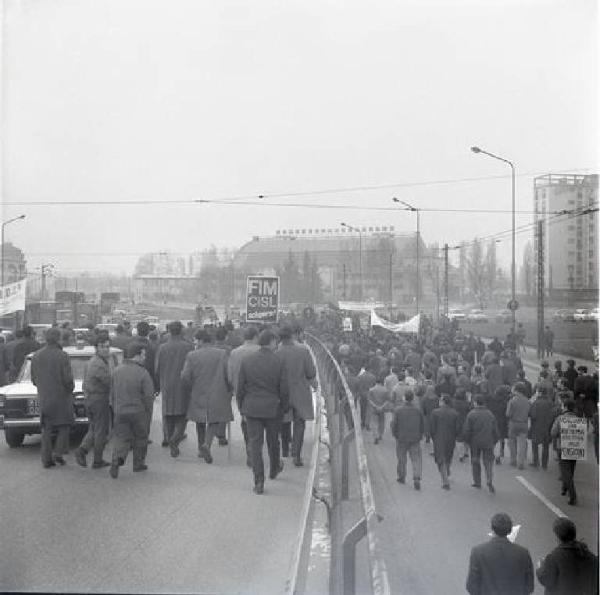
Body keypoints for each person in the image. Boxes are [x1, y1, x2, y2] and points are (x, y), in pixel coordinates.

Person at [237, 329, 289, 495]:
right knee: (273, 441)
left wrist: (241, 407)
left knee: (255, 444)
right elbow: (284, 389)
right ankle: (274, 469)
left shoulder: (247, 361)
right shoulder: (279, 361)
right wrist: (284, 407)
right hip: (273, 408)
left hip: (251, 408)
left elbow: (240, 388)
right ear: (273, 341)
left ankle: (259, 481)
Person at [181, 329, 233, 464]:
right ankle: (207, 444)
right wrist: (229, 388)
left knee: (200, 420)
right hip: (218, 390)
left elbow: (185, 376)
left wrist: (192, 385)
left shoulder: (192, 355)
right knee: (214, 420)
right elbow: (229, 373)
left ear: (201, 341)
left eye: (196, 340)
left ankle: (200, 448)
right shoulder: (222, 354)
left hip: (198, 390)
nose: (195, 343)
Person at [109, 342, 155, 478]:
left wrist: (115, 407)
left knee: (121, 437)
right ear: (137, 355)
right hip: (138, 411)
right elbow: (148, 395)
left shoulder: (116, 371)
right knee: (141, 437)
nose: (145, 357)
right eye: (143, 354)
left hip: (120, 411)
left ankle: (117, 460)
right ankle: (138, 464)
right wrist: (148, 411)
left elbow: (111, 393)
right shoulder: (143, 373)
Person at [31, 327, 75, 468]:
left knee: (47, 429)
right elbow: (68, 380)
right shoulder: (62, 356)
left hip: (44, 397)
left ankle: (46, 459)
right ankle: (58, 453)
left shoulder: (36, 356)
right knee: (64, 426)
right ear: (57, 339)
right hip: (61, 397)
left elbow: (34, 379)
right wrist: (71, 389)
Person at [276, 324, 317, 465]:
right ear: (292, 335)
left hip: (282, 393)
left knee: (284, 422)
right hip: (300, 392)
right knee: (300, 423)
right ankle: (296, 455)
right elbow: (311, 372)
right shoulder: (303, 350)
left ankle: (285, 449)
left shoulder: (276, 352)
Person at [466, 512, 534, 595]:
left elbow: (471, 586)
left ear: (492, 529)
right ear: (509, 530)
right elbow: (529, 586)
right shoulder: (523, 553)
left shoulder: (478, 552)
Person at [155, 321, 194, 458]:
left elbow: (157, 368)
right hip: (183, 385)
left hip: (166, 384)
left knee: (168, 413)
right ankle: (175, 439)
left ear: (169, 331)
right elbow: (192, 368)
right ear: (181, 331)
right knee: (183, 415)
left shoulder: (162, 348)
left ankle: (168, 436)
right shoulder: (188, 347)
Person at [75, 332, 112, 468]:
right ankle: (96, 459)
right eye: (103, 347)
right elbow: (109, 381)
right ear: (96, 348)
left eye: (108, 347)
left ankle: (83, 450)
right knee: (100, 430)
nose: (106, 349)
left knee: (94, 428)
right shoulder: (99, 364)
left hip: (90, 399)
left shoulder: (92, 361)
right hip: (98, 399)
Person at [536, 517, 598, 595]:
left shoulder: (554, 557)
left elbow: (546, 580)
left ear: (557, 538)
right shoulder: (592, 558)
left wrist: (540, 568)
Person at [227, 326, 260, 466]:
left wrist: (233, 387)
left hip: (241, 392)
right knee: (259, 421)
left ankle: (250, 448)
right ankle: (254, 449)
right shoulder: (260, 350)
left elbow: (229, 373)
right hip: (259, 391)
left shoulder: (235, 352)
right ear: (255, 337)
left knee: (246, 419)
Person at [463, 394, 499, 492]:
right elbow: (495, 430)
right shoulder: (490, 414)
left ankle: (477, 482)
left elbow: (467, 430)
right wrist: (495, 440)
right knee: (488, 462)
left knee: (475, 461)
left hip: (475, 442)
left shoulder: (471, 414)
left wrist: (466, 440)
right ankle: (489, 479)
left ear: (475, 403)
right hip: (488, 441)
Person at [129, 321, 158, 443]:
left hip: (131, 380)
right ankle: (144, 435)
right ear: (148, 332)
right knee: (147, 411)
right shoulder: (151, 346)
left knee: (133, 407)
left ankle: (132, 434)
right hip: (148, 381)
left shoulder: (130, 345)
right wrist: (156, 386)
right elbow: (154, 367)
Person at [390, 389, 424, 490]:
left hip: (401, 438)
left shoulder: (398, 410)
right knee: (416, 459)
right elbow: (422, 424)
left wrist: (395, 434)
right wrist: (420, 434)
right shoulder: (418, 410)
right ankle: (416, 477)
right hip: (415, 438)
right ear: (412, 398)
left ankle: (401, 476)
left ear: (404, 398)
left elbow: (394, 424)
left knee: (401, 459)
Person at [551, 399, 580, 505]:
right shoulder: (578, 419)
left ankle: (573, 495)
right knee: (571, 470)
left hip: (562, 447)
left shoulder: (560, 418)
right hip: (576, 447)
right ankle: (564, 488)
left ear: (566, 407)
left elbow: (553, 433)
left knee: (565, 471)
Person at [429, 394, 461, 490]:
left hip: (439, 438)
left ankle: (445, 481)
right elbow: (458, 428)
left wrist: (433, 437)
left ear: (443, 402)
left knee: (440, 459)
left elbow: (432, 428)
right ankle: (447, 470)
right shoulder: (455, 413)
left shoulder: (435, 413)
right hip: (451, 438)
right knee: (448, 457)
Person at [528, 387, 555, 470]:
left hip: (537, 426)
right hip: (547, 427)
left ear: (539, 393)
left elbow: (533, 415)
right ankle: (544, 464)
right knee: (545, 446)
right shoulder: (550, 403)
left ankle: (536, 461)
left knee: (535, 445)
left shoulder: (536, 403)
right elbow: (553, 415)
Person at [506, 382, 530, 470]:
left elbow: (508, 414)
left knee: (511, 442)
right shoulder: (527, 401)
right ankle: (521, 462)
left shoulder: (512, 401)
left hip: (513, 423)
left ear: (516, 390)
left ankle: (513, 460)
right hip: (524, 423)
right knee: (522, 444)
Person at [368, 375, 390, 444]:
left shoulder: (371, 390)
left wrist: (375, 406)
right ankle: (380, 434)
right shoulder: (385, 390)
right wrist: (382, 406)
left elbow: (369, 400)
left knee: (374, 423)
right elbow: (387, 400)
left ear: (376, 382)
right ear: (382, 382)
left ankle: (375, 436)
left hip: (374, 409)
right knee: (381, 422)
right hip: (382, 409)